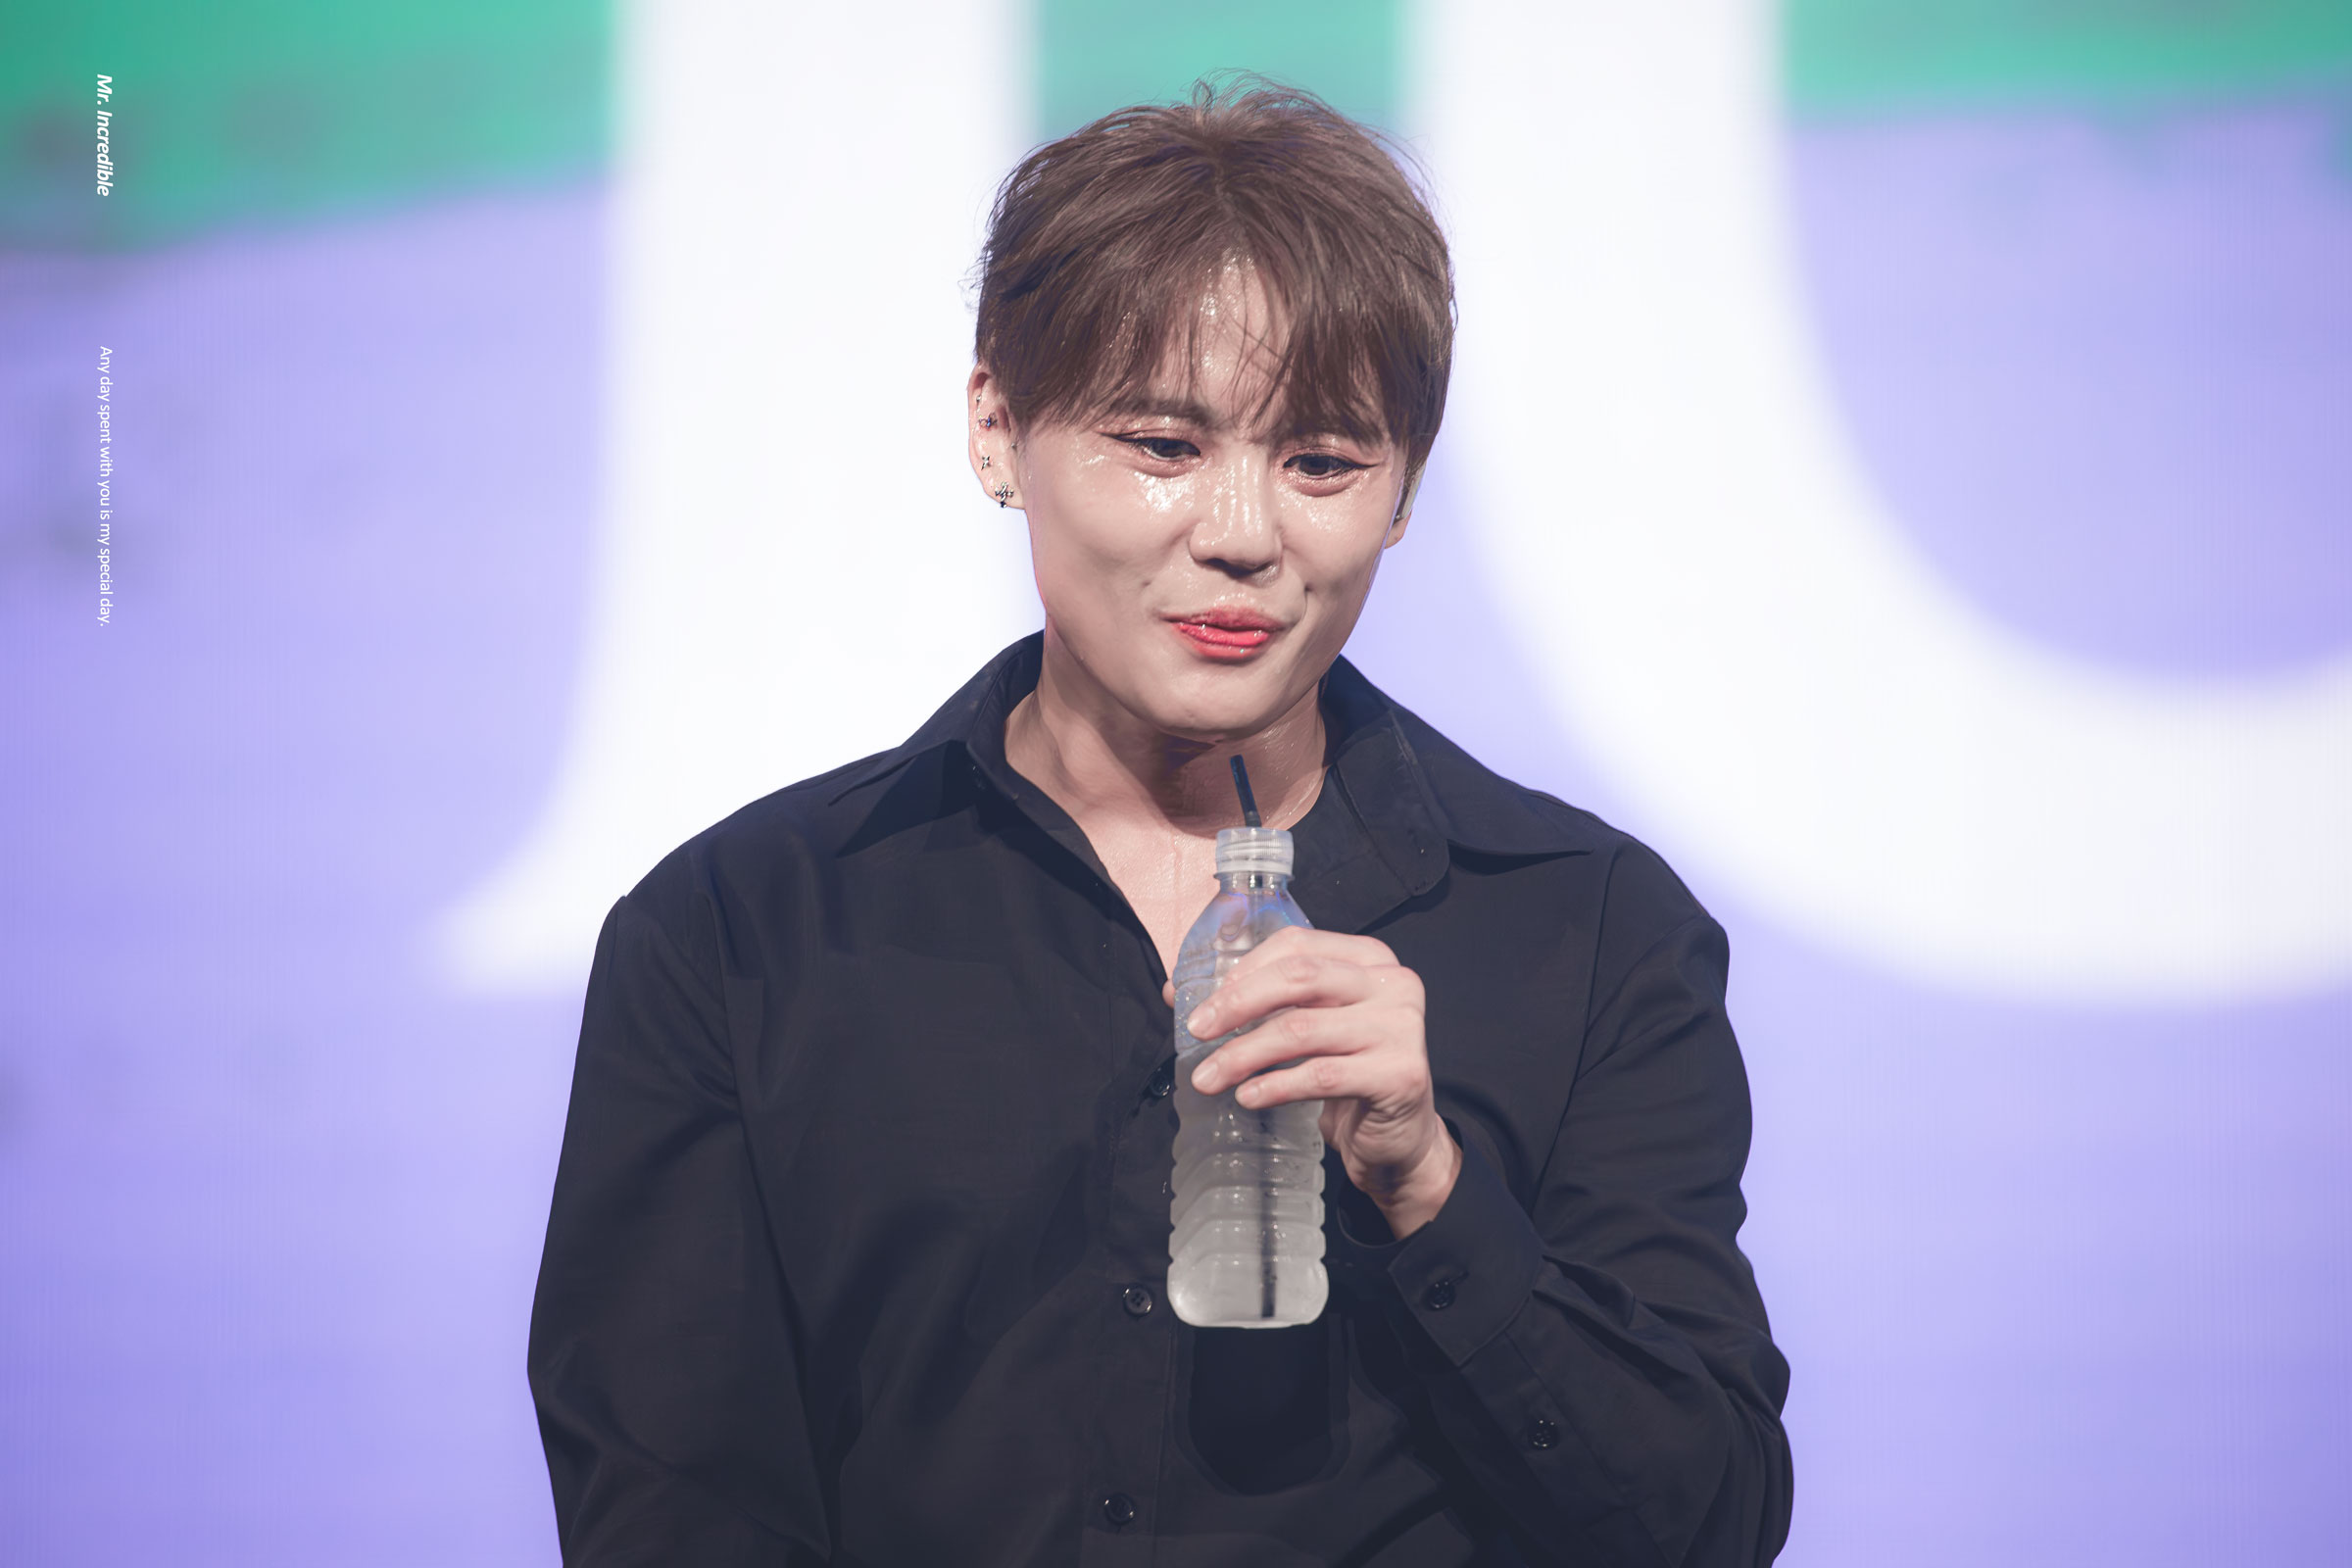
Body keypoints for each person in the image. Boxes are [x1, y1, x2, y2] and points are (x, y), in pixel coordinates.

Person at [527, 81, 1791, 1565]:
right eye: (1163, 446)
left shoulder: (1588, 929)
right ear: (998, 428)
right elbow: (670, 1511)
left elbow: (1706, 1524)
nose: (1242, 535)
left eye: (1322, 461)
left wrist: (1431, 1188)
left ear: (1403, 490)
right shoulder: (743, 933)